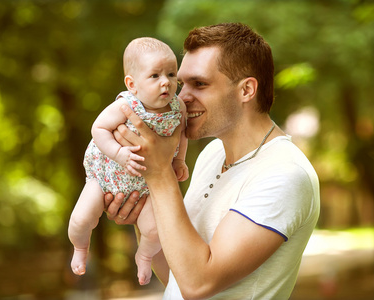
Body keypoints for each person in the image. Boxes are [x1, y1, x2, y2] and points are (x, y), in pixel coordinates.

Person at [104, 23, 320, 299]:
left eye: (200, 84)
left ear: (246, 90)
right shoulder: (212, 154)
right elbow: (178, 276)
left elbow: (198, 284)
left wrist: (158, 174)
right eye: (181, 83)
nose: (180, 97)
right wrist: (142, 211)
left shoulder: (285, 174)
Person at [68, 37, 188, 286]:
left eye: (171, 73)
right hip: (107, 174)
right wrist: (118, 153)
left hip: (146, 182)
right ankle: (81, 248)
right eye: (154, 76)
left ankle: (144, 256)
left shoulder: (179, 108)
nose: (166, 81)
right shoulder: (125, 106)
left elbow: (182, 134)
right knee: (81, 219)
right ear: (132, 84)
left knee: (155, 230)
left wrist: (179, 160)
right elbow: (98, 128)